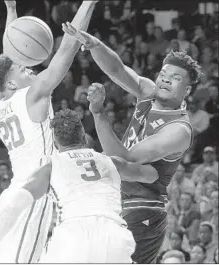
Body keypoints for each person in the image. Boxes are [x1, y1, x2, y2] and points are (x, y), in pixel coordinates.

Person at [0, 0, 98, 263]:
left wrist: (11, 11)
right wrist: (88, 3)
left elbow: (9, 57)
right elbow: (67, 50)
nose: (29, 67)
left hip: (13, 193)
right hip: (32, 196)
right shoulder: (34, 94)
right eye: (24, 69)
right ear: (12, 82)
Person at [62, 23, 202, 263]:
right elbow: (118, 69)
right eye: (164, 75)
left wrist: (98, 113)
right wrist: (94, 44)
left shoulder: (179, 129)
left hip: (143, 208)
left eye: (175, 78)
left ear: (187, 90)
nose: (166, 81)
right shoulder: (149, 93)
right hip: (119, 201)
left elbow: (125, 160)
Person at [0, 109, 159, 263]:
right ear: (83, 135)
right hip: (114, 236)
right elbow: (151, 175)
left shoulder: (50, 167)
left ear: (55, 141)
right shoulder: (110, 161)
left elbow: (12, 206)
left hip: (73, 236)